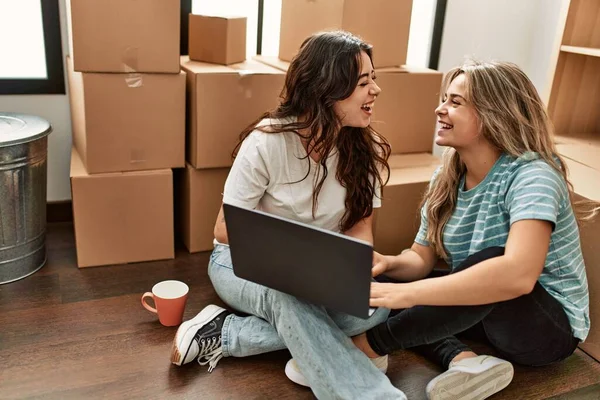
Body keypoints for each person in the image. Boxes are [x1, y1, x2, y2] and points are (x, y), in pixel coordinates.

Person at [170, 31, 407, 399]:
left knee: (373, 310)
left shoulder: (366, 149)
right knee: (289, 298)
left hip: (320, 272)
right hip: (240, 264)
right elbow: (222, 230)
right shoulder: (267, 142)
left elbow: (361, 229)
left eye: (374, 79)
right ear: (328, 88)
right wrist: (296, 256)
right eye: (364, 82)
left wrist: (355, 265)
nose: (375, 90)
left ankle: (226, 334)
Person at [348, 59, 599, 400]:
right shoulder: (448, 176)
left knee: (488, 263)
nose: (440, 109)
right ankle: (465, 360)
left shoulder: (533, 176)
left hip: (545, 331)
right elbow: (420, 259)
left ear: (494, 113)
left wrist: (407, 295)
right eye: (444, 99)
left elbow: (518, 276)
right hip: (483, 313)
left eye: (455, 102)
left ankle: (366, 348)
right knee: (383, 282)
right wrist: (389, 265)